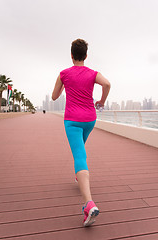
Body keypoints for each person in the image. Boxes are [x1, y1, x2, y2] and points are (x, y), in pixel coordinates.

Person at [52, 39, 111, 227]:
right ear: (86, 56)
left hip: (72, 120)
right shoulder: (93, 73)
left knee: (79, 154)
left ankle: (89, 204)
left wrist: (63, 85)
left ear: (71, 55)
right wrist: (101, 101)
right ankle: (79, 175)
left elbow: (54, 96)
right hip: (90, 120)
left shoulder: (64, 73)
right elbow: (107, 84)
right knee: (81, 149)